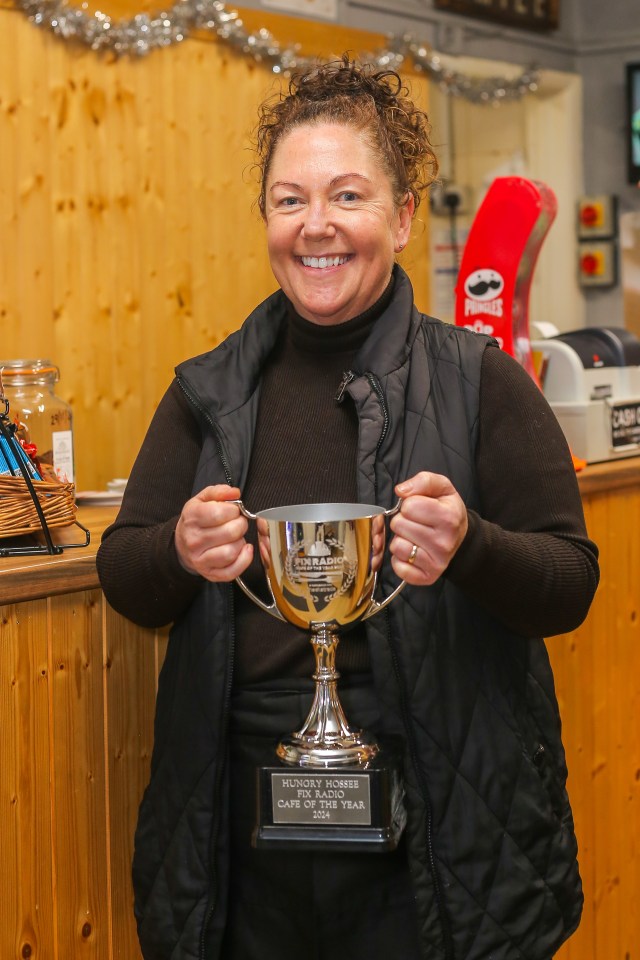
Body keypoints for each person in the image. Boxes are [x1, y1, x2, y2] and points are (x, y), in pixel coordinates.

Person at [97, 57, 599, 960]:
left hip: (440, 827)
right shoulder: (207, 391)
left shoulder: (479, 381)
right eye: (289, 200)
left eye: (347, 196)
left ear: (402, 217)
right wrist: (176, 549)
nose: (316, 226)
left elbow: (569, 583)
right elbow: (127, 577)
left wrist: (472, 546)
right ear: (266, 220)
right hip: (241, 831)